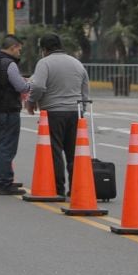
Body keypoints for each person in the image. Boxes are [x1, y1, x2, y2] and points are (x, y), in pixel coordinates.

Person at [26, 33, 90, 198]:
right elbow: (85, 88)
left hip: (53, 112)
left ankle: (57, 188)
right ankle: (77, 189)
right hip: (75, 112)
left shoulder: (44, 63)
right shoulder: (76, 63)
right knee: (73, 152)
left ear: (44, 49)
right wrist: (81, 109)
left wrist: (31, 101)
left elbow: (38, 86)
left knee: (54, 151)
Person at [0, 34, 31, 195]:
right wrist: (30, 83)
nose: (20, 52)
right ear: (13, 47)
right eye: (19, 48)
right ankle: (6, 183)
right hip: (8, 110)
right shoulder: (9, 64)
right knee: (7, 147)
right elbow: (21, 87)